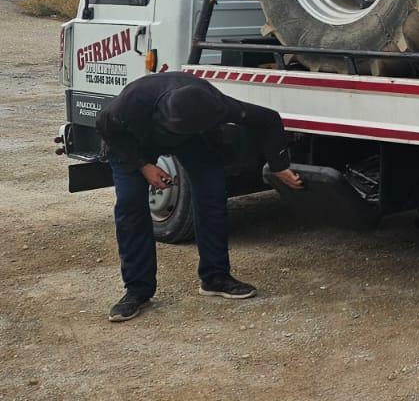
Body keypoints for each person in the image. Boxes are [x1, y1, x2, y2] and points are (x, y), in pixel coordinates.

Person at [96, 70, 303, 322]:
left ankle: (215, 277)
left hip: (193, 140)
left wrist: (279, 166)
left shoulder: (215, 104)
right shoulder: (133, 101)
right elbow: (106, 129)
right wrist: (144, 166)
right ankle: (137, 291)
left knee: (213, 193)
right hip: (132, 142)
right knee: (131, 205)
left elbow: (267, 119)